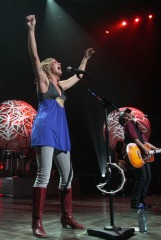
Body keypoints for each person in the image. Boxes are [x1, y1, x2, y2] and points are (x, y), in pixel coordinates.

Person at [26, 15, 95, 238]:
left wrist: (84, 60)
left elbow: (78, 77)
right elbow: (34, 56)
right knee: (43, 176)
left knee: (68, 176)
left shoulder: (61, 85)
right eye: (55, 61)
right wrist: (31, 29)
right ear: (48, 67)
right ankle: (36, 223)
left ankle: (67, 217)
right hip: (45, 131)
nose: (59, 63)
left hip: (61, 133)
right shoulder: (45, 82)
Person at [119, 108, 160, 209]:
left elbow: (145, 142)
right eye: (128, 113)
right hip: (136, 154)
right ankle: (135, 202)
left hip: (142, 154)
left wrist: (158, 149)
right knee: (141, 177)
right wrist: (144, 149)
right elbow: (135, 140)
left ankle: (142, 200)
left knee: (148, 177)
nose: (131, 114)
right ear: (125, 117)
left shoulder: (135, 126)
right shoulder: (128, 124)